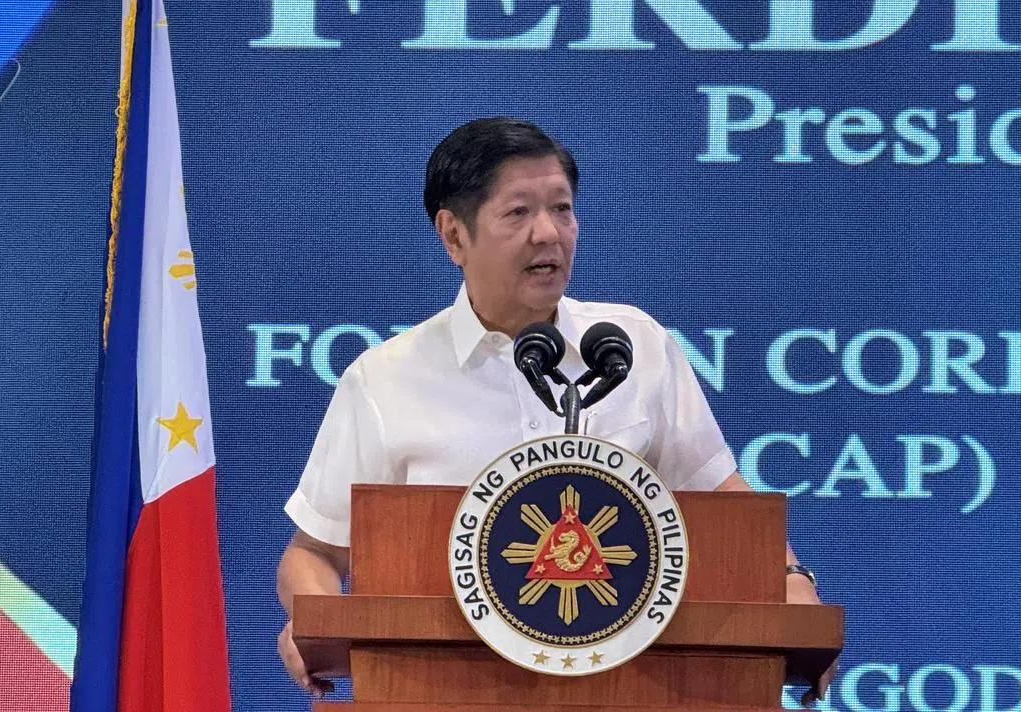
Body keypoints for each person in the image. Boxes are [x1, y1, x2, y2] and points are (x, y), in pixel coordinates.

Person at [276, 117, 832, 703]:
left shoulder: (632, 344)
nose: (549, 233)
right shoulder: (385, 380)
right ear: (453, 235)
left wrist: (793, 585)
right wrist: (318, 618)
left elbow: (724, 503)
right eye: (518, 213)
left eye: (562, 209)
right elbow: (313, 551)